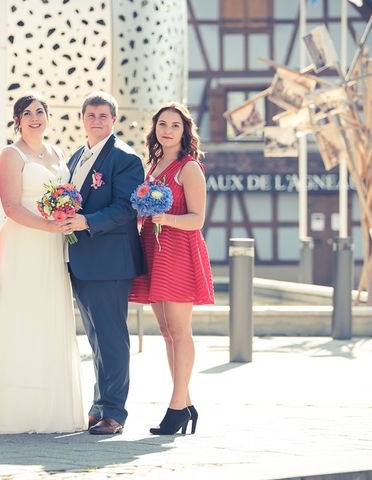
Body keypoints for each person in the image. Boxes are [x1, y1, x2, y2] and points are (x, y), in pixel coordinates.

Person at [0, 92, 87, 433]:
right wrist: (49, 225)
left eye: (39, 112)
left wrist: (63, 216)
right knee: (17, 317)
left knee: (47, 317)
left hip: (51, 247)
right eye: (26, 113)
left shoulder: (57, 153)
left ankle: (44, 407)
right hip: (21, 243)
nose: (34, 118)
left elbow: (65, 196)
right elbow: (11, 207)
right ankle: (6, 407)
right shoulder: (10, 155)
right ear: (17, 120)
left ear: (47, 116)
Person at [129, 102, 214, 435]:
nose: (167, 130)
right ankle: (186, 401)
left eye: (174, 125)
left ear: (185, 131)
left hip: (178, 251)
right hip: (154, 248)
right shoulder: (153, 165)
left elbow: (198, 219)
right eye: (162, 124)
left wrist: (166, 218)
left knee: (180, 331)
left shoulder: (188, 168)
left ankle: (176, 406)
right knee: (166, 332)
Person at [63, 91, 145, 435]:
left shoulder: (125, 158)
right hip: (81, 260)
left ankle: (115, 412)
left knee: (111, 337)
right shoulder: (77, 156)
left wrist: (86, 222)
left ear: (114, 120)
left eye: (103, 115)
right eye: (90, 115)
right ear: (82, 119)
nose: (96, 121)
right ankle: (99, 404)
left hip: (109, 261)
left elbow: (128, 208)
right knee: (95, 337)